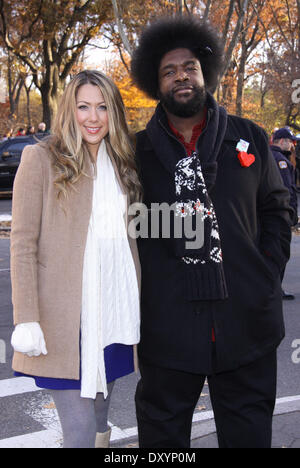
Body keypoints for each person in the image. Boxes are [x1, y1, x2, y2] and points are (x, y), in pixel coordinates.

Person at [130, 16, 293, 449]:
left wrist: (265, 274)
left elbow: (277, 211)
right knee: (162, 443)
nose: (181, 76)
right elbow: (123, 226)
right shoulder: (135, 153)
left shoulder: (249, 138)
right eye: (169, 71)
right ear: (155, 82)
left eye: (189, 67)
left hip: (246, 323)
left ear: (205, 74)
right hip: (167, 330)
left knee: (248, 436)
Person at [10, 70, 142, 448]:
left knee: (101, 416)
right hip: (63, 321)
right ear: (70, 109)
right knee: (80, 429)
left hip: (113, 311)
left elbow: (133, 238)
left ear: (113, 113)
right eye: (83, 106)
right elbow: (22, 244)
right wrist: (28, 318)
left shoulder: (122, 164)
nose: (93, 117)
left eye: (102, 107)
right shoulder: (42, 159)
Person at [270, 127, 298, 300]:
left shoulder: (268, 155)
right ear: (282, 141)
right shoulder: (281, 160)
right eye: (290, 141)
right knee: (281, 253)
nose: (292, 145)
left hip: (272, 214)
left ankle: (273, 288)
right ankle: (275, 289)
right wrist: (291, 214)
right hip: (282, 215)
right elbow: (287, 189)